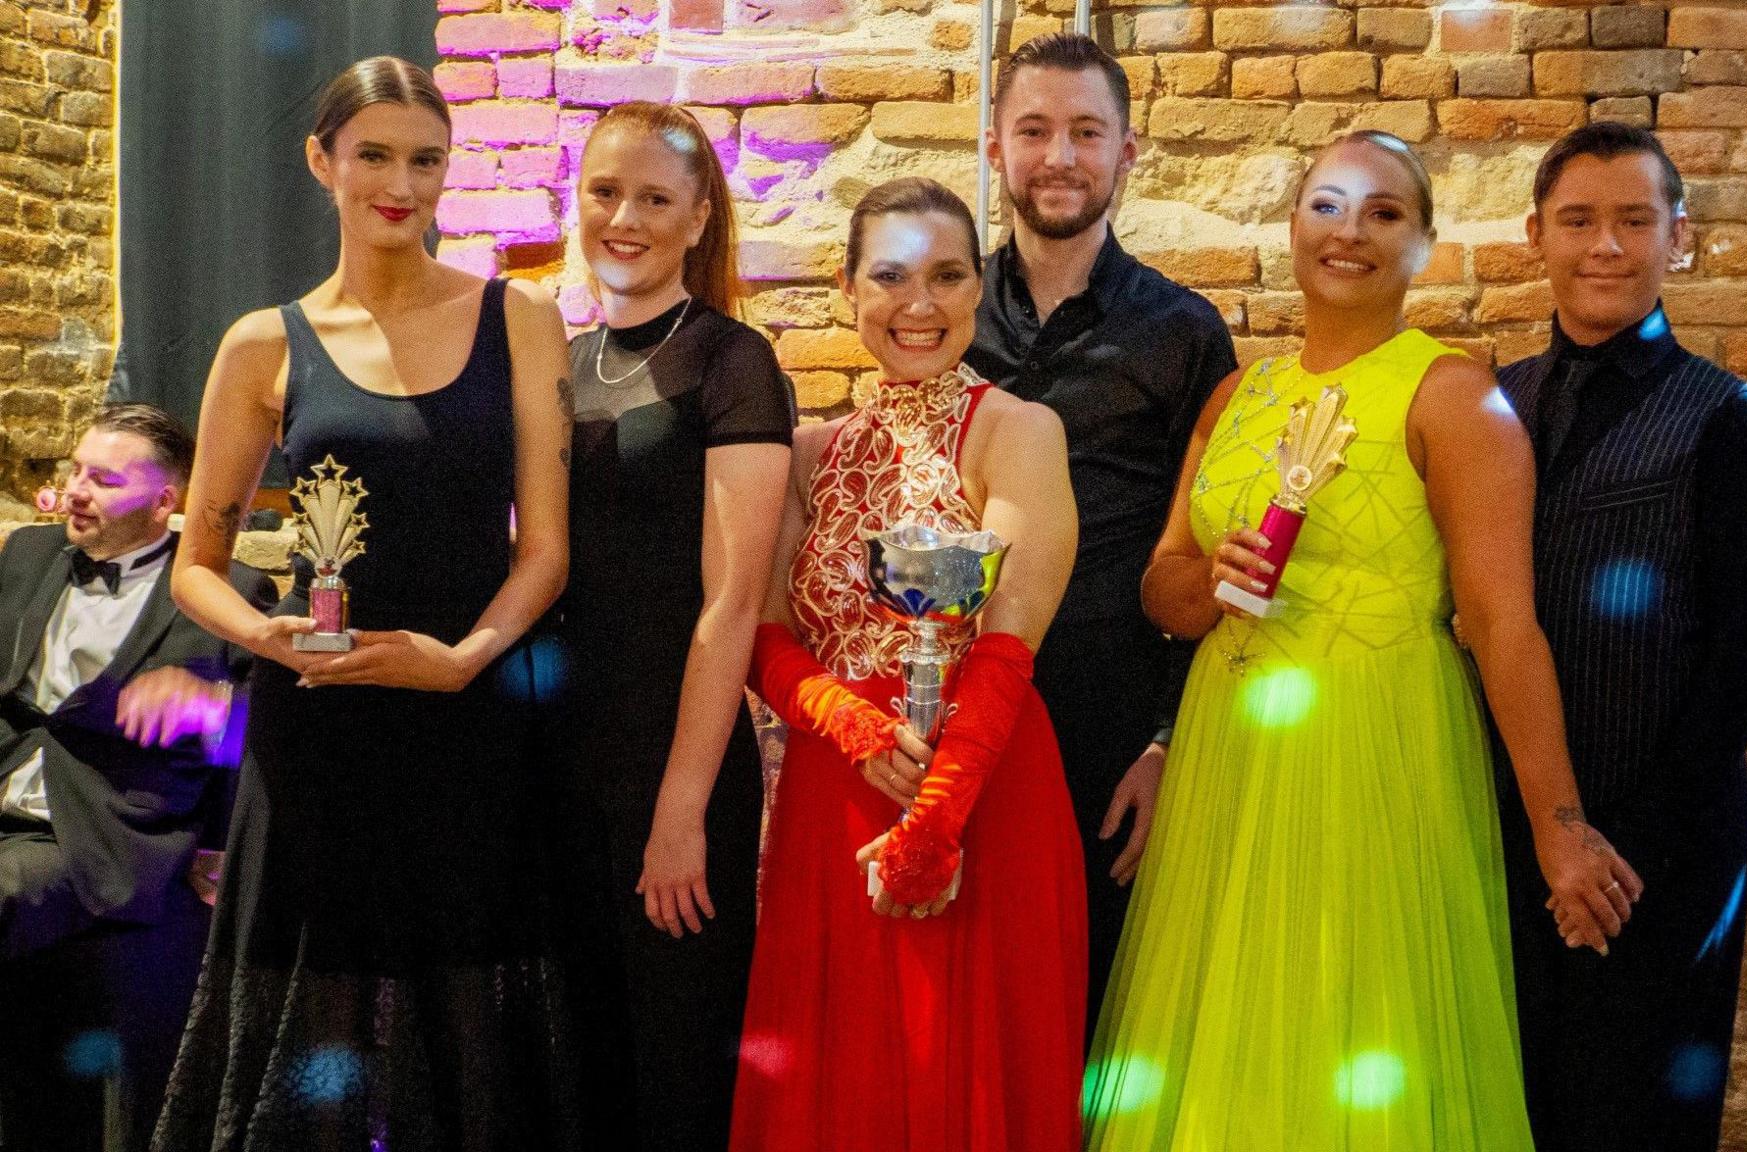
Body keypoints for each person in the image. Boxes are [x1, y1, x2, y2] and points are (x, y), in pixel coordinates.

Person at [1085, 132, 1642, 1149]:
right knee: (1233, 1027)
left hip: (1374, 756)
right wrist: (1213, 582)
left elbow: (1499, 624)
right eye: (1327, 206)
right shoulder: (1234, 396)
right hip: (1230, 759)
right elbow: (1162, 587)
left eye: (1383, 213)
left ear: (1422, 245)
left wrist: (1556, 826)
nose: (1349, 232)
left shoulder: (1454, 396)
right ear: (1292, 225)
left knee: (1354, 1038)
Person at [148, 57, 579, 1151]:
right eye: (375, 155)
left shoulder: (515, 318)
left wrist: (463, 657)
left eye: (425, 159)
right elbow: (196, 562)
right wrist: (268, 640)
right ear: (321, 162)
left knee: (467, 1016)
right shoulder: (262, 341)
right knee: (317, 1023)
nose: (402, 183)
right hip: (318, 731)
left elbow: (546, 552)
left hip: (467, 722)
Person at [730, 177, 1088, 1151]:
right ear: (847, 289)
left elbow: (1009, 641)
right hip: (833, 787)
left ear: (980, 290)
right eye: (889, 277)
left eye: (945, 276)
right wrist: (845, 723)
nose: (917, 304)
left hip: (980, 786)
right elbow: (761, 637)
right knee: (835, 1078)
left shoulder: (1020, 433)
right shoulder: (804, 453)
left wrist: (935, 816)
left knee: (957, 1069)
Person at [1495, 120, 1747, 1152]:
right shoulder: (1491, 405)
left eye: (1633, 220)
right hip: (1507, 831)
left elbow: (1744, 657)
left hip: (1660, 848)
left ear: (1679, 236)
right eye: (1577, 221)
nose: (1605, 247)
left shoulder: (1726, 418)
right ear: (1534, 234)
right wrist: (1548, 835)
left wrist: (1614, 856)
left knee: (1643, 1115)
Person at [963, 32, 1237, 1032]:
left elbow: (1200, 563)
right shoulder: (937, 321)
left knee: (1091, 1010)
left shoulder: (1182, 332)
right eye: (1033, 130)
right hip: (955, 719)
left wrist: (1169, 744)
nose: (1059, 156)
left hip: (1109, 728)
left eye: (1086, 132)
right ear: (994, 147)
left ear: (1127, 153)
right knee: (966, 1007)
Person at [554, 101, 792, 1150]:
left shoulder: (730, 361)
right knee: (575, 1061)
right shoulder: (555, 361)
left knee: (676, 1069)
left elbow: (732, 601)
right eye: (606, 191)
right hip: (556, 756)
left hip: (673, 760)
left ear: (699, 217)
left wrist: (681, 806)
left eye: (655, 197)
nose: (626, 217)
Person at [0, 405, 273, 1152]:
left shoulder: (230, 592)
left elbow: (266, 729)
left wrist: (211, 708)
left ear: (164, 503)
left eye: (105, 478)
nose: (75, 490)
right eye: (76, 469)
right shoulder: (25, 555)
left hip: (104, 832)